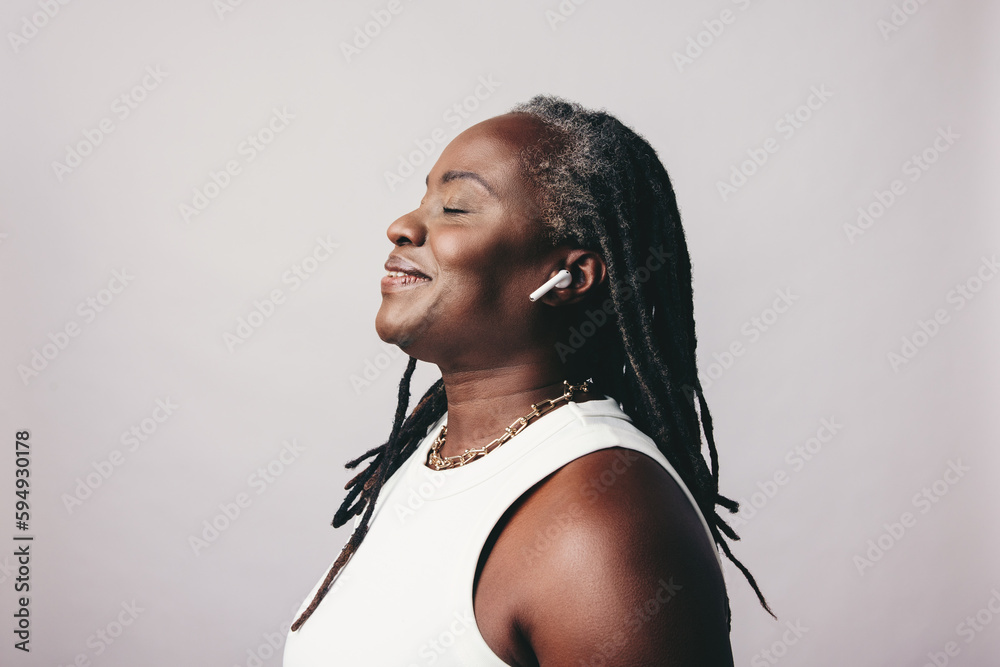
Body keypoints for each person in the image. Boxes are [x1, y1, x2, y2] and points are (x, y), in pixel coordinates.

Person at [283, 95, 773, 666]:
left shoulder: (600, 520)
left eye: (457, 208)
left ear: (569, 277)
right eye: (423, 200)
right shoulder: (432, 455)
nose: (401, 226)